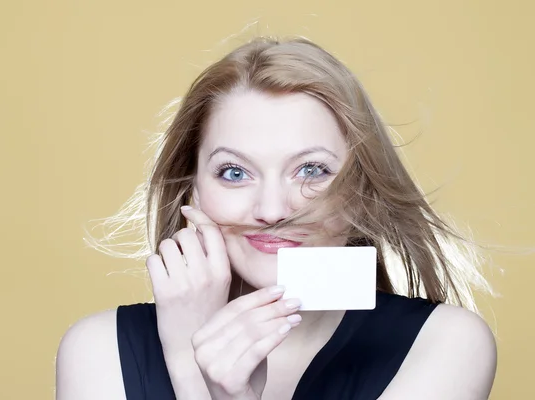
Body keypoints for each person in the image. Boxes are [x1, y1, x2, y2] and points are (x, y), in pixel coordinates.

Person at [55, 37, 497, 399]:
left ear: (363, 190)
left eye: (312, 170)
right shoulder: (96, 351)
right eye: (234, 172)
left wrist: (208, 386)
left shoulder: (445, 344)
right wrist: (186, 350)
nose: (271, 210)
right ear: (192, 188)